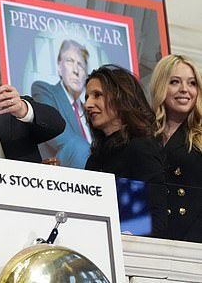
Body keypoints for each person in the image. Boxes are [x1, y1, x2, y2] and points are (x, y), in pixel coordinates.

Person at [84, 65, 165, 237]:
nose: (87, 104)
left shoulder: (140, 148)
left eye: (97, 95)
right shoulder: (95, 159)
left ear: (122, 98)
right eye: (87, 97)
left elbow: (155, 218)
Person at [150, 54, 202, 242]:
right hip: (151, 241)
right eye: (174, 82)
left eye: (192, 83)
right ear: (160, 86)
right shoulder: (145, 136)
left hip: (193, 245)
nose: (185, 90)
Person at [31, 39, 92, 168]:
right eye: (70, 61)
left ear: (86, 75)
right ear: (59, 68)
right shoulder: (44, 90)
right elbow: (60, 139)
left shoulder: (90, 111)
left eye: (81, 65)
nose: (76, 70)